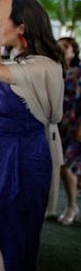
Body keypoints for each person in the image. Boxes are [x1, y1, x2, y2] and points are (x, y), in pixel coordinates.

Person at [0, 0, 64, 271]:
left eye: (2, 22)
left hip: (25, 160)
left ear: (22, 27)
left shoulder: (43, 66)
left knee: (9, 247)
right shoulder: (19, 62)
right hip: (2, 159)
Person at [56, 36, 81, 225]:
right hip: (58, 125)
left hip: (74, 125)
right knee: (61, 166)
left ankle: (72, 206)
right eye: (59, 46)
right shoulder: (56, 70)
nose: (62, 49)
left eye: (66, 46)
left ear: (74, 50)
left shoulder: (78, 73)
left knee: (67, 166)